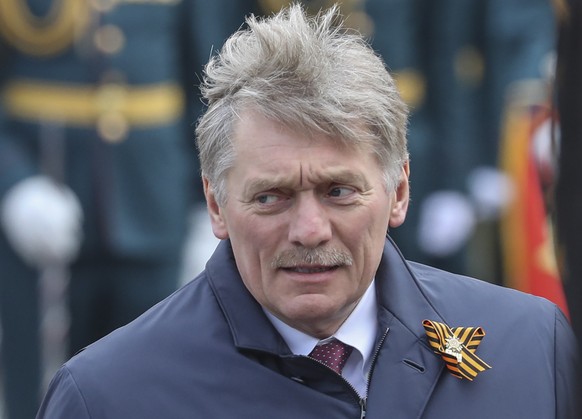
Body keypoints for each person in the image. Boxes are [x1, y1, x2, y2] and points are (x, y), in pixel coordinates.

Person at [36, 4, 577, 418]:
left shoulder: (529, 347)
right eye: (270, 197)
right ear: (215, 205)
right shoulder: (105, 396)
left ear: (400, 191)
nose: (310, 230)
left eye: (339, 191)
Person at [0, 1, 246, 417]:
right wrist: (14, 184)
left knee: (154, 390)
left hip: (153, 205)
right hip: (40, 213)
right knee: (41, 394)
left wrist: (211, 205)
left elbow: (213, 83)